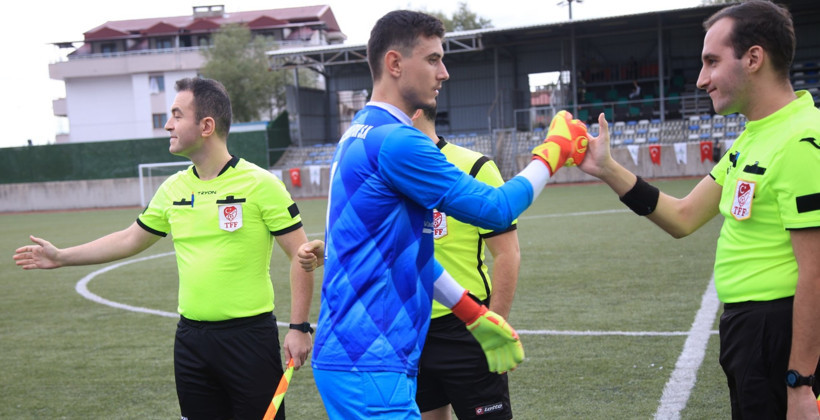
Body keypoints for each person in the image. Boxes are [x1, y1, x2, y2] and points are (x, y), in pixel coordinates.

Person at [300, 9, 589, 420]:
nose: (445, 72)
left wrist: (472, 312)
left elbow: (407, 255)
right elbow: (496, 208)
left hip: (360, 358)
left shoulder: (360, 132)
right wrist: (554, 151)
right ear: (395, 64)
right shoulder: (397, 142)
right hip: (369, 362)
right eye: (433, 59)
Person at [13, 77, 315, 420]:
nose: (168, 125)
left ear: (206, 125)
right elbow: (130, 238)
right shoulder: (173, 188)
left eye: (176, 115)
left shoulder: (261, 184)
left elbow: (301, 256)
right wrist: (62, 256)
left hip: (248, 340)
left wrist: (299, 326)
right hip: (191, 341)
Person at [577, 2, 820, 419]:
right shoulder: (752, 138)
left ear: (754, 58)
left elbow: (816, 271)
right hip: (748, 333)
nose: (701, 79)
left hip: (777, 332)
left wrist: (800, 381)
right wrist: (608, 169)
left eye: (711, 61)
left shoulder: (802, 139)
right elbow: (684, 216)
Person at [412, 106, 521, 420]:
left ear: (414, 112)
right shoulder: (387, 173)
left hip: (466, 326)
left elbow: (507, 253)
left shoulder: (474, 167)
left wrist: (492, 325)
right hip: (409, 329)